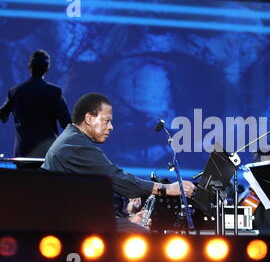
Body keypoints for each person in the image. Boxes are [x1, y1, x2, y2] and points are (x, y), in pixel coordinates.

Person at [41, 92, 196, 233]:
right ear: (89, 118)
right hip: (73, 223)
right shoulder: (74, 145)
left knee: (136, 230)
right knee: (140, 235)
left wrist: (126, 216)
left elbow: (93, 195)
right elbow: (116, 178)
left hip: (80, 217)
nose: (111, 127)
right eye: (107, 121)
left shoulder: (74, 140)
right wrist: (167, 188)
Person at [0, 50, 71, 168]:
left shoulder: (16, 91)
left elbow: (3, 115)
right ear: (47, 69)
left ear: (29, 67)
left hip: (23, 154)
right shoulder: (54, 92)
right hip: (46, 154)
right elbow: (66, 123)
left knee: (23, 186)